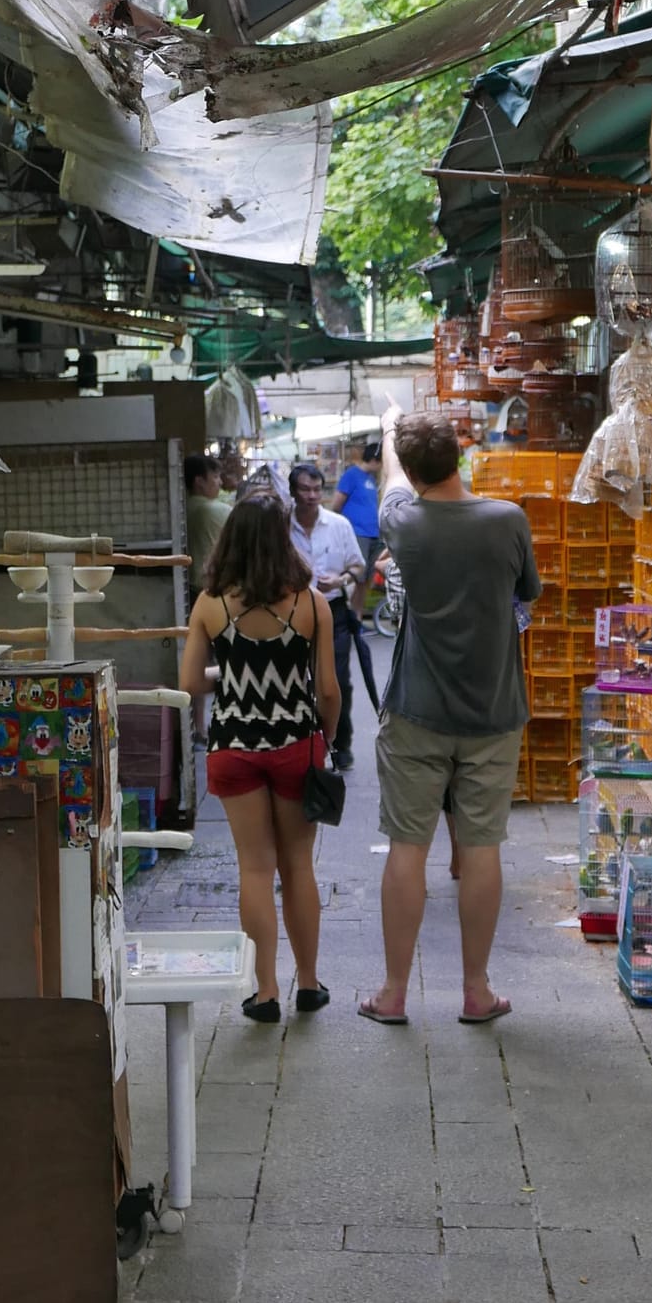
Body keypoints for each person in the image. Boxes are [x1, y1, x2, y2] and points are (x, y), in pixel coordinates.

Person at [361, 411, 538, 1029]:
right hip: (494, 710)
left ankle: (393, 993)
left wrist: (390, 435)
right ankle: (476, 990)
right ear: (459, 456)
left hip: (417, 710)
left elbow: (392, 483)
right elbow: (526, 593)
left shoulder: (403, 523)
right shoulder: (507, 519)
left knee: (408, 847)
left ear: (412, 470)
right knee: (482, 847)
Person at [180, 497, 342, 1024]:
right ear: (283, 537)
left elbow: (189, 682)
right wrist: (326, 740)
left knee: (254, 867)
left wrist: (231, 675)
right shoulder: (311, 603)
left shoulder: (210, 604)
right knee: (298, 865)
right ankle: (310, 984)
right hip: (297, 746)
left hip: (234, 749)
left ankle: (266, 990)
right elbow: (329, 691)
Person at [288, 461, 366, 770]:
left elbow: (358, 566)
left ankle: (340, 744)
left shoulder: (338, 525)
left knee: (338, 680)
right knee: (294, 679)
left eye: (317, 489)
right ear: (293, 492)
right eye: (305, 489)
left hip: (333, 613)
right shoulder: (281, 527)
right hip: (292, 613)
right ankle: (302, 742)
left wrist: (340, 580)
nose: (311, 496)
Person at [330, 439, 382, 575]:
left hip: (373, 533)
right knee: (356, 575)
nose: (381, 467)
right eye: (381, 463)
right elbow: (336, 505)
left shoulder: (371, 479)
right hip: (357, 533)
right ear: (374, 460)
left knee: (369, 576)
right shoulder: (351, 475)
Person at [184, 452, 234, 588]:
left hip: (188, 586)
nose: (220, 482)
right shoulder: (219, 510)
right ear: (199, 481)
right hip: (215, 586)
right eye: (216, 477)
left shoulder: (182, 510)